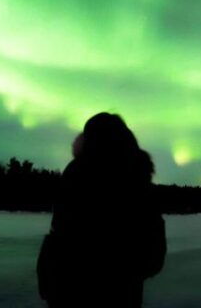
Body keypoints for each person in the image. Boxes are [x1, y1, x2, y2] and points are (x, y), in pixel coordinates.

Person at [37, 112, 166, 307]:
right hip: (121, 295)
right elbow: (153, 253)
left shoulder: (78, 173)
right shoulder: (138, 181)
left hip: (72, 293)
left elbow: (62, 232)